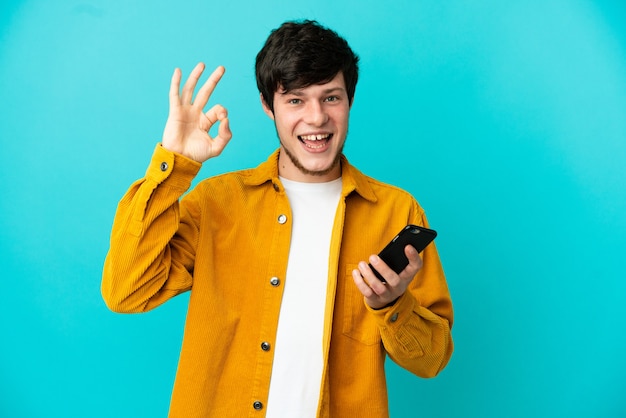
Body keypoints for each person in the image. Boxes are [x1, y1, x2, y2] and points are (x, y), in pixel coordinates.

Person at [102, 19, 453, 418]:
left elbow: (432, 360)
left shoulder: (396, 213)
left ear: (349, 101)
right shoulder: (217, 203)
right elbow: (126, 291)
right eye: (296, 100)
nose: (317, 118)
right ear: (269, 107)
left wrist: (392, 304)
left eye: (331, 98)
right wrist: (172, 166)